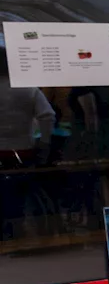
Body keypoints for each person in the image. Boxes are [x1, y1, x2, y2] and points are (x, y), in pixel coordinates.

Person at [0, 47, 56, 241]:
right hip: (23, 149)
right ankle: (17, 231)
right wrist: (45, 143)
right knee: (20, 194)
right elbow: (48, 115)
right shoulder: (28, 89)